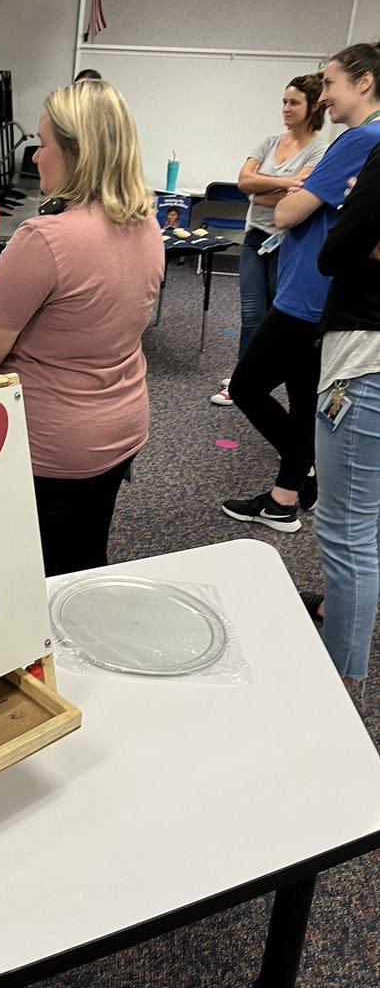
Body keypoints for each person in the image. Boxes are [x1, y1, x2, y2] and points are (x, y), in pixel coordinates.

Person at [0, 80, 164, 575]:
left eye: (44, 144)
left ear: (78, 153)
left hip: (50, 446)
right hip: (120, 428)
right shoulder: (147, 225)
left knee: (26, 580)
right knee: (85, 561)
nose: (35, 158)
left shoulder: (44, 239)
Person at [222, 43, 380, 533]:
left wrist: (292, 191)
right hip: (317, 290)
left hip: (309, 293)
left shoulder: (358, 139)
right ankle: (287, 496)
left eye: (330, 84)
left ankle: (298, 473)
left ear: (364, 82)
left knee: (247, 385)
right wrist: (297, 185)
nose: (323, 96)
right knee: (304, 393)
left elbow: (286, 213)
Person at [311, 125, 380, 698]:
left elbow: (334, 254)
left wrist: (357, 212)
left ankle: (339, 690)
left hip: (368, 356)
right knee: (365, 522)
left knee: (348, 530)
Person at [210, 76, 327, 405]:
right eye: (284, 102)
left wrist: (265, 191)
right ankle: (242, 377)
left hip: (287, 244)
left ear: (312, 106)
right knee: (251, 313)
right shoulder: (269, 142)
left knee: (279, 315)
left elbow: (299, 200)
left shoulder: (319, 150)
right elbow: (244, 182)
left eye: (294, 103)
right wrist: (286, 183)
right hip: (254, 239)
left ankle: (277, 378)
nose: (286, 109)